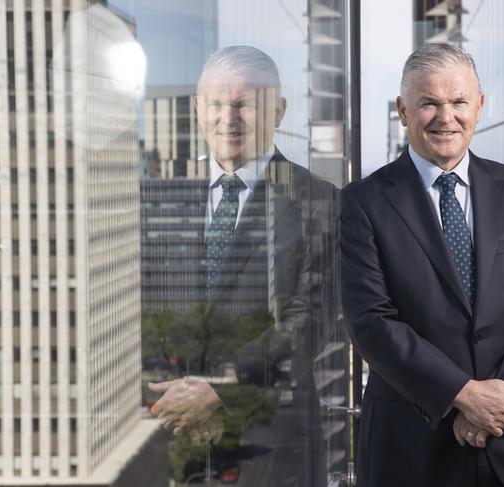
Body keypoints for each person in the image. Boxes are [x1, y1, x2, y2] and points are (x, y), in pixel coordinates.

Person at [341, 44, 504, 487]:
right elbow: (370, 320)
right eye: (429, 102)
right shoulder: (363, 203)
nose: (446, 117)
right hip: (412, 446)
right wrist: (461, 395)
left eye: (459, 102)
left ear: (479, 107)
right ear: (403, 110)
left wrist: (495, 404)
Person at [146, 46, 339, 486]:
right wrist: (172, 400)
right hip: (173, 435)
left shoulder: (321, 202)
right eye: (215, 103)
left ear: (278, 111)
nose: (227, 118)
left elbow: (309, 321)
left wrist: (219, 391)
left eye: (244, 104)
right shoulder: (161, 201)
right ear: (197, 108)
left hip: (272, 443)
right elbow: (135, 311)